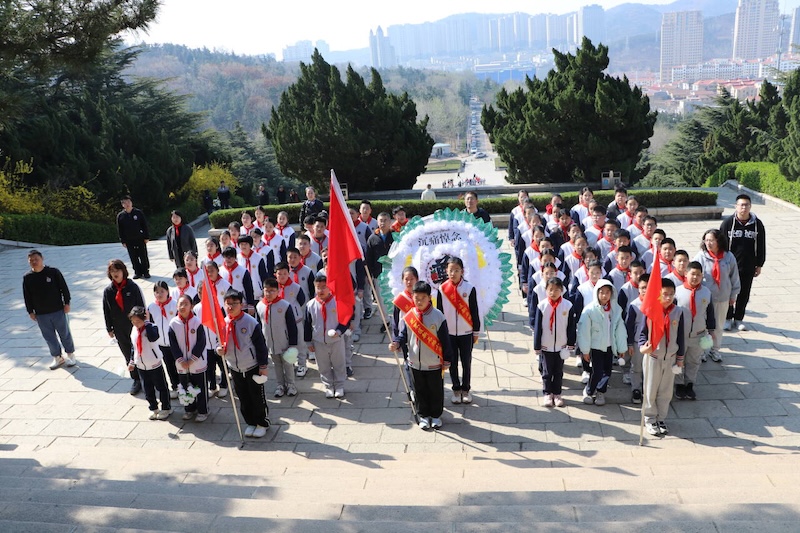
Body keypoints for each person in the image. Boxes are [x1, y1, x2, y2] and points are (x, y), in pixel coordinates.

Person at [389, 281, 454, 431]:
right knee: (419, 390)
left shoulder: (438, 317)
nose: (419, 302)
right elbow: (403, 335)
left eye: (422, 298)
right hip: (414, 362)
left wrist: (447, 359)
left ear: (429, 298)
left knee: (435, 390)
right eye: (416, 298)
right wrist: (396, 344)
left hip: (434, 363)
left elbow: (445, 340)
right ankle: (423, 415)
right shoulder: (410, 316)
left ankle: (436, 415)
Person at [217, 289, 270, 438]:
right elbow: (220, 342)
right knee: (243, 397)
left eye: (235, 303)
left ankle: (262, 423)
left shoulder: (250, 322)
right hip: (234, 367)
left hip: (252, 366)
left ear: (241, 304)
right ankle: (251, 422)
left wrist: (263, 367)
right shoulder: (224, 323)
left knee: (257, 397)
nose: (231, 307)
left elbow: (261, 346)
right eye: (228, 304)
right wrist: (219, 350)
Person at [638, 279, 685, 437]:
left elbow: (680, 337)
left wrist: (680, 358)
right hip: (653, 357)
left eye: (671, 294)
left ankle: (661, 418)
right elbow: (642, 333)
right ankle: (650, 418)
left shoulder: (678, 312)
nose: (668, 297)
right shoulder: (651, 311)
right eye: (665, 294)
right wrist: (643, 347)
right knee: (650, 389)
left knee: (666, 391)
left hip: (670, 357)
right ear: (658, 294)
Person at [23, 250, 77, 370]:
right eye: (31, 260)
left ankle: (70, 354)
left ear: (42, 259)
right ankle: (57, 357)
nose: (34, 262)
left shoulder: (53, 272)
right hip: (41, 313)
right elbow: (27, 296)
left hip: (57, 310)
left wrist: (67, 303)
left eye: (36, 259)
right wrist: (30, 311)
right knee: (49, 336)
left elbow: (64, 288)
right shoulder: (28, 277)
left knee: (64, 333)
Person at [436, 257, 480, 405]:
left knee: (466, 362)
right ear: (446, 271)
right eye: (450, 270)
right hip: (449, 334)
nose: (453, 273)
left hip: (466, 332)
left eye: (456, 270)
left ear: (462, 271)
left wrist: (476, 331)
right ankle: (456, 388)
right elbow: (440, 313)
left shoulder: (469, 288)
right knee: (452, 362)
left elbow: (474, 311)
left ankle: (466, 389)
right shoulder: (442, 289)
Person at [576, 279, 627, 406]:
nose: (604, 296)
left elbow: (619, 329)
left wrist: (621, 348)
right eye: (602, 292)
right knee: (597, 371)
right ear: (597, 293)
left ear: (612, 294)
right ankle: (589, 391)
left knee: (607, 371)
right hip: (595, 346)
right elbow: (584, 332)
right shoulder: (589, 310)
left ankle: (601, 391)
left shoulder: (615, 309)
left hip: (610, 346)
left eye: (607, 293)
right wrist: (585, 350)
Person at [720, 194, 766, 331]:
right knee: (728, 293)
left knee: (744, 293)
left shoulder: (757, 225)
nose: (744, 208)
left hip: (748, 266)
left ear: (750, 207)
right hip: (729, 266)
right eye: (741, 205)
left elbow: (762, 245)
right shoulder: (728, 223)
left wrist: (759, 264)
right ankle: (727, 318)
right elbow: (721, 244)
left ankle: (738, 319)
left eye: (746, 205)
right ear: (736, 206)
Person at [693, 229, 740, 363]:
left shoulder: (728, 257)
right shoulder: (701, 257)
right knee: (703, 326)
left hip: (722, 298)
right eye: (706, 240)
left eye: (711, 240)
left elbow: (734, 277)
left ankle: (715, 350)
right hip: (705, 299)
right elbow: (694, 275)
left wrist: (733, 294)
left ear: (719, 241)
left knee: (718, 326)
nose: (708, 243)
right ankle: (702, 351)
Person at [102, 259, 146, 395]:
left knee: (140, 351)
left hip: (135, 325)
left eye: (117, 270)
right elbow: (106, 310)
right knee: (127, 353)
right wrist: (109, 327)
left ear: (123, 271)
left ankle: (147, 378)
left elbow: (141, 305)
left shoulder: (132, 287)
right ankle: (136, 379)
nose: (115, 273)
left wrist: (143, 322)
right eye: (112, 271)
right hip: (119, 326)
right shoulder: (109, 291)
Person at [533, 277, 577, 408]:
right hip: (546, 344)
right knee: (547, 372)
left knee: (558, 371)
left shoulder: (567, 306)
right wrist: (537, 345)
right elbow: (538, 327)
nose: (553, 293)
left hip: (561, 345)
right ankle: (547, 393)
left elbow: (571, 326)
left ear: (562, 290)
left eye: (557, 290)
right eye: (550, 290)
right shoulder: (542, 306)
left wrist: (571, 342)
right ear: (546, 290)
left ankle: (557, 393)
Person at [675, 262, 716, 401]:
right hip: (680, 335)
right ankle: (679, 384)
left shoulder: (706, 292)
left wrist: (711, 330)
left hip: (698, 334)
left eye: (698, 275)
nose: (695, 277)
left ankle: (690, 383)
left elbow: (710, 313)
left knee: (694, 360)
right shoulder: (677, 292)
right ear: (685, 274)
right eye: (692, 274)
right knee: (679, 360)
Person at [304, 274, 348, 399]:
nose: (321, 290)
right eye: (318, 287)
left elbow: (345, 319)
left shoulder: (337, 302)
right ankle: (328, 386)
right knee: (323, 366)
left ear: (329, 288)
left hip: (336, 340)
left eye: (324, 287)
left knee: (339, 363)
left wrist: (339, 331)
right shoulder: (311, 305)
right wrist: (308, 342)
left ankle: (339, 385)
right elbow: (307, 324)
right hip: (319, 341)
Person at [168, 294, 208, 422]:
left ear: (191, 306)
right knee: (185, 387)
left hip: (197, 362)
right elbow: (172, 344)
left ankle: (203, 410)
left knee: (200, 387)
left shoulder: (197, 322)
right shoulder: (173, 324)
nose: (183, 307)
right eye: (180, 304)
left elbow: (201, 342)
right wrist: (180, 359)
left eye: (186, 304)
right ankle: (189, 409)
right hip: (182, 364)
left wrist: (192, 359)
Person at [128, 306, 172, 420]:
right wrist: (132, 361)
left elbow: (153, 338)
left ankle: (166, 407)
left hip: (154, 363)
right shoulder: (134, 330)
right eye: (133, 321)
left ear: (144, 318)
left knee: (161, 387)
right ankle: (153, 407)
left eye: (138, 321)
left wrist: (147, 324)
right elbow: (134, 347)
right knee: (147, 389)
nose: (136, 324)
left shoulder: (151, 327)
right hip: (141, 365)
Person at [257, 278, 299, 398]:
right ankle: (280, 385)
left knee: (288, 364)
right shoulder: (260, 306)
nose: (269, 293)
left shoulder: (285, 305)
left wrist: (292, 344)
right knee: (277, 365)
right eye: (267, 290)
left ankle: (291, 385)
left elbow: (292, 326)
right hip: (270, 343)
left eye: (272, 290)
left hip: (284, 342)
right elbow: (259, 325)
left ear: (278, 290)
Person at [146, 281, 180, 398]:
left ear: (167, 292)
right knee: (169, 365)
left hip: (175, 342)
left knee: (179, 364)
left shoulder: (175, 304)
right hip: (161, 343)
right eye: (157, 292)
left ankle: (184, 385)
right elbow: (149, 324)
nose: (159, 294)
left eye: (162, 291)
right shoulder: (151, 307)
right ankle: (175, 386)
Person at [116, 195, 150, 279]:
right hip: (129, 240)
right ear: (122, 204)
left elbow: (144, 225)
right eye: (125, 203)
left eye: (129, 202)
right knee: (133, 256)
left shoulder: (138, 213)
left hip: (140, 238)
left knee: (143, 255)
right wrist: (122, 241)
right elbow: (120, 229)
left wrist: (146, 237)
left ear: (131, 203)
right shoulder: (121, 216)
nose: (127, 204)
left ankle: (145, 271)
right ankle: (137, 272)